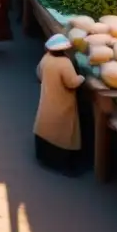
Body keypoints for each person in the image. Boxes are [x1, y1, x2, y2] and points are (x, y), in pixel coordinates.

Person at [34, 34, 85, 175]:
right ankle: (65, 165)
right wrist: (82, 77)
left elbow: (38, 73)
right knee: (64, 132)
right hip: (63, 101)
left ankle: (45, 158)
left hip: (47, 98)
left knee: (46, 126)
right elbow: (72, 83)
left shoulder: (46, 58)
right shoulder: (65, 63)